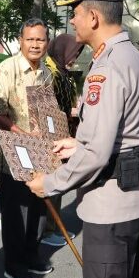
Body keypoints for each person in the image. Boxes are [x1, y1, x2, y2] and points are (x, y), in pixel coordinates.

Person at [27, 0, 139, 278]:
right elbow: (120, 135)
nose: (73, 23)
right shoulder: (133, 57)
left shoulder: (106, 67)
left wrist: (48, 183)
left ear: (94, 16)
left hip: (109, 203)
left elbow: (99, 152)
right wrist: (79, 146)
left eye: (75, 14)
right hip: (132, 196)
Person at [0, 18, 54, 278]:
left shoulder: (46, 73)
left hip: (40, 153)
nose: (36, 44)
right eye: (30, 39)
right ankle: (13, 264)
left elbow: (48, 109)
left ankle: (31, 254)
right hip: (14, 154)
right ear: (21, 41)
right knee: (17, 212)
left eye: (40, 39)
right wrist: (20, 133)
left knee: (38, 206)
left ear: (46, 42)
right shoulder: (7, 69)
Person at [41, 33, 84, 247]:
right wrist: (67, 114)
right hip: (51, 137)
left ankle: (53, 227)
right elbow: (47, 107)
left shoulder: (63, 71)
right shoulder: (49, 73)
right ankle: (48, 231)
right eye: (73, 54)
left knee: (58, 185)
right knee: (52, 184)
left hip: (64, 134)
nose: (74, 58)